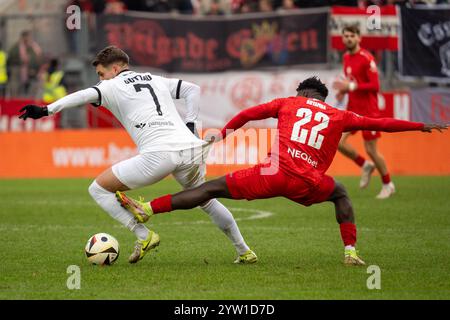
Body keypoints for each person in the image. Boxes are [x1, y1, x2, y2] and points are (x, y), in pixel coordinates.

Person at [115, 77, 447, 266]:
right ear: (322, 97)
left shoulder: (288, 103)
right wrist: (421, 125)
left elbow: (247, 113)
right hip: (310, 182)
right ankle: (350, 252)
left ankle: (147, 209)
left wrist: (224, 133)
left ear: (303, 93)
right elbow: (382, 124)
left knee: (211, 189)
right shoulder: (338, 114)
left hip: (273, 174)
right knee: (341, 193)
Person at [18, 46, 255, 265]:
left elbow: (80, 96)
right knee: (206, 199)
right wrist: (192, 124)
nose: (100, 80)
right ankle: (244, 250)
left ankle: (143, 235)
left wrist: (46, 109)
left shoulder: (109, 86)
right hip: (191, 148)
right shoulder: (155, 79)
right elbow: (193, 89)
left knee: (98, 189)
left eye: (101, 74)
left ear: (115, 68)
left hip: (159, 154)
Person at [332, 25, 394, 199]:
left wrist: (350, 86)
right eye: (346, 36)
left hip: (368, 111)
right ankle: (365, 165)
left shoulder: (367, 58)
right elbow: (353, 82)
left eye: (352, 35)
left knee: (371, 149)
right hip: (352, 109)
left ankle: (388, 184)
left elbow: (375, 86)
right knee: (337, 141)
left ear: (359, 38)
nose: (349, 39)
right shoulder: (346, 57)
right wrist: (344, 90)